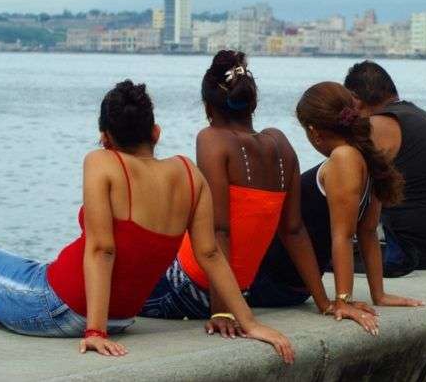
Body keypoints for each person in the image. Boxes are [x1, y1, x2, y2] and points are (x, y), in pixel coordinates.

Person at [0, 80, 295, 363]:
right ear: (156, 131)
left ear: (105, 137)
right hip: (118, 315)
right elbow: (210, 253)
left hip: (59, 303)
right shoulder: (189, 175)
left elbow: (103, 249)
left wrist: (94, 332)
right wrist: (250, 323)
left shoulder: (103, 163)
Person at [140, 52, 378, 336]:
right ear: (252, 104)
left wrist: (222, 311)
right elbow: (294, 231)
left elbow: (220, 231)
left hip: (191, 286)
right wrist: (324, 301)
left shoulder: (211, 139)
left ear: (208, 108)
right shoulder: (280, 144)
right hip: (241, 289)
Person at [251, 82, 423, 310]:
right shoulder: (368, 157)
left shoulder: (343, 158)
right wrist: (377, 294)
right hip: (291, 289)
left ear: (314, 132)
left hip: (268, 284)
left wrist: (343, 301)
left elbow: (343, 236)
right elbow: (367, 232)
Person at [343, 61, 426, 277]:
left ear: (356, 101)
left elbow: (344, 185)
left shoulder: (378, 125)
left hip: (406, 251)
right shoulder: (418, 117)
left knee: (316, 254)